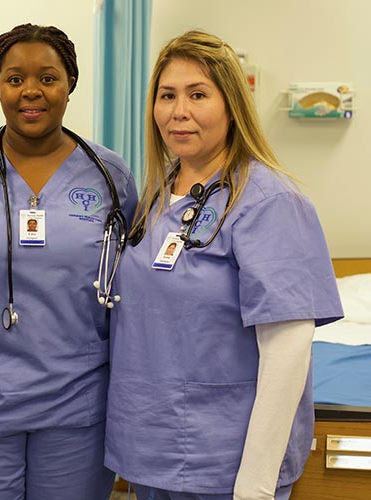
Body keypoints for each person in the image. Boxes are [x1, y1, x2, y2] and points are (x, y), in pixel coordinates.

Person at [104, 30, 343, 500]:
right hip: (153, 452)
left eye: (198, 95)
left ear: (231, 104)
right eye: (167, 95)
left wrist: (255, 485)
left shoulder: (269, 202)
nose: (179, 111)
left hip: (226, 466)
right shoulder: (156, 195)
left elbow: (288, 349)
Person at [0, 23, 138, 500]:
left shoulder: (111, 176)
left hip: (78, 402)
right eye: (15, 78)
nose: (31, 92)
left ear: (70, 85)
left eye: (48, 78)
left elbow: (131, 283)